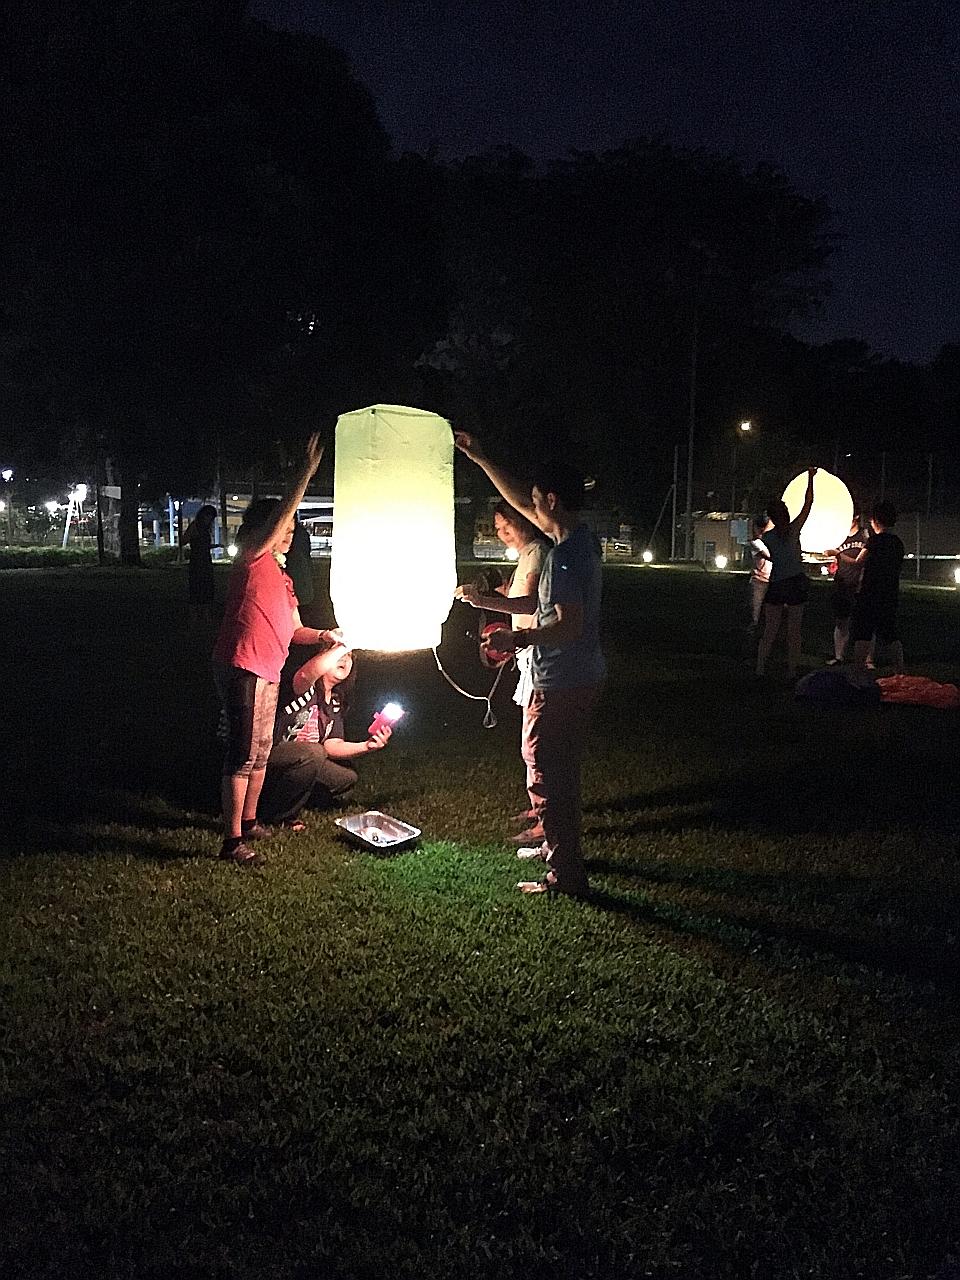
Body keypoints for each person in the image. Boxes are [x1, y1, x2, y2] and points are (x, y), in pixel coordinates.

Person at [454, 431, 604, 900]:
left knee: (542, 772)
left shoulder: (561, 559)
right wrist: (482, 458)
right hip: (583, 678)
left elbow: (567, 626)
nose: (528, 509)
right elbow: (522, 500)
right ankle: (559, 852)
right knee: (563, 772)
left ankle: (564, 874)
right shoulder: (581, 539)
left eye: (537, 503)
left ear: (553, 501)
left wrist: (516, 635)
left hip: (558, 682)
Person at [211, 433, 332, 865]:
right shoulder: (251, 556)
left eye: (293, 530)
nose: (291, 532)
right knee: (242, 750)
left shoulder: (282, 578)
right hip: (242, 663)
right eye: (286, 527)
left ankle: (248, 822)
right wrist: (306, 472)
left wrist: (325, 636)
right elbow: (282, 513)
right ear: (268, 529)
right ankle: (231, 842)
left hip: (268, 668)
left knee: (261, 748)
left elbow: (295, 628)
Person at [455, 501, 549, 840]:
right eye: (496, 527)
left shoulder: (539, 552)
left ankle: (546, 821)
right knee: (531, 739)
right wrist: (478, 593)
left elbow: (529, 603)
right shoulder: (526, 556)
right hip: (529, 658)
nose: (502, 532)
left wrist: (481, 601)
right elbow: (511, 594)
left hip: (542, 659)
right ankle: (540, 806)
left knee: (536, 744)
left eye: (507, 523)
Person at [259, 644, 392, 828]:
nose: (345, 659)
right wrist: (344, 642)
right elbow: (306, 674)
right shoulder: (303, 687)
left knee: (345, 777)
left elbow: (332, 744)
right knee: (314, 753)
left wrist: (367, 745)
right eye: (338, 653)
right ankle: (278, 815)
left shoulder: (335, 701)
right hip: (271, 756)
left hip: (305, 760)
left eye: (349, 655)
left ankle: (292, 796)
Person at [755, 467, 816, 679]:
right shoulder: (793, 530)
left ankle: (761, 669)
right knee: (794, 630)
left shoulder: (768, 537)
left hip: (778, 583)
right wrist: (810, 478)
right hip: (795, 583)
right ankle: (792, 670)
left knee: (770, 629)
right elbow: (808, 504)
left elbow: (762, 553)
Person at [850, 501, 905, 674]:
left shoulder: (874, 541)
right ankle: (900, 672)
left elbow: (858, 563)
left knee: (863, 633)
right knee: (890, 634)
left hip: (869, 593)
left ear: (876, 521)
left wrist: (837, 554)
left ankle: (858, 672)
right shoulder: (897, 543)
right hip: (889, 593)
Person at [824, 514, 869, 665]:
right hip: (842, 583)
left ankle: (868, 659)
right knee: (841, 621)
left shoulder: (864, 535)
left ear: (856, 516)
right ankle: (839, 656)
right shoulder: (839, 536)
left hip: (859, 584)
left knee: (864, 622)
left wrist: (838, 554)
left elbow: (859, 562)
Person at [182, 504, 218, 622]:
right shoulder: (195, 526)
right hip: (197, 560)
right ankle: (195, 614)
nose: (210, 520)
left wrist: (215, 546)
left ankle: (206, 614)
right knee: (197, 586)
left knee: (207, 586)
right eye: (209, 517)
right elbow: (184, 540)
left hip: (205, 560)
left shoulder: (205, 529)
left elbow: (204, 545)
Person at [284, 515, 315, 614]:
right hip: (302, 591)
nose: (288, 538)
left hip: (299, 591)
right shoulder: (301, 533)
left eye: (290, 532)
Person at [748, 514, 774, 628]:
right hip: (759, 580)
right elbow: (769, 556)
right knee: (757, 608)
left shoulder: (768, 542)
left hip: (771, 580)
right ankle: (754, 627)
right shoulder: (755, 543)